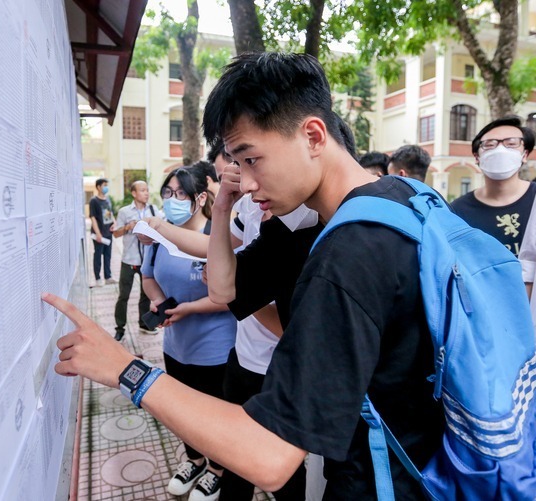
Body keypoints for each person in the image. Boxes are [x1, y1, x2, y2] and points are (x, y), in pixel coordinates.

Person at [43, 52, 443, 499]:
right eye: (237, 164)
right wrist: (220, 206)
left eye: (252, 159)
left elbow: (269, 457)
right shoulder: (389, 201)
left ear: (313, 135)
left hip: (389, 482)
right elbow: (224, 287)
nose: (247, 184)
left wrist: (125, 369)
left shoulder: (347, 252)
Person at [141, 168, 236, 501]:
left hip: (216, 349)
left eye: (180, 194)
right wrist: (157, 301)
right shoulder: (161, 238)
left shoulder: (219, 237)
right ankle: (194, 460)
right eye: (167, 193)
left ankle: (217, 469)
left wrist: (189, 309)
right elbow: (148, 276)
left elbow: (232, 296)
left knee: (213, 414)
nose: (171, 201)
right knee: (183, 414)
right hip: (176, 347)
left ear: (200, 198)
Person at [452, 116, 536, 258]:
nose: (501, 150)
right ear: (477, 157)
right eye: (490, 145)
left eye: (511, 144)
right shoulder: (457, 211)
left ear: (525, 154)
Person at [111, 180, 161, 341]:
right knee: (123, 296)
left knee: (145, 295)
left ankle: (144, 323)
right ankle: (120, 328)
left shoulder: (153, 210)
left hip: (146, 260)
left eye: (147, 190)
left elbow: (164, 228)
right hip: (129, 259)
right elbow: (116, 234)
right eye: (142, 190)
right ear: (134, 193)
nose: (146, 193)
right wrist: (127, 227)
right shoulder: (125, 212)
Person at [89, 178, 115, 286]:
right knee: (98, 256)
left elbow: (110, 213)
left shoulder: (107, 199)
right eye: (104, 185)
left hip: (108, 232)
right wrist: (98, 233)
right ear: (98, 187)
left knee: (108, 256)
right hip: (98, 234)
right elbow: (93, 218)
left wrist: (114, 223)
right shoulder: (94, 201)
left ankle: (108, 277)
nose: (106, 187)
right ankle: (98, 278)